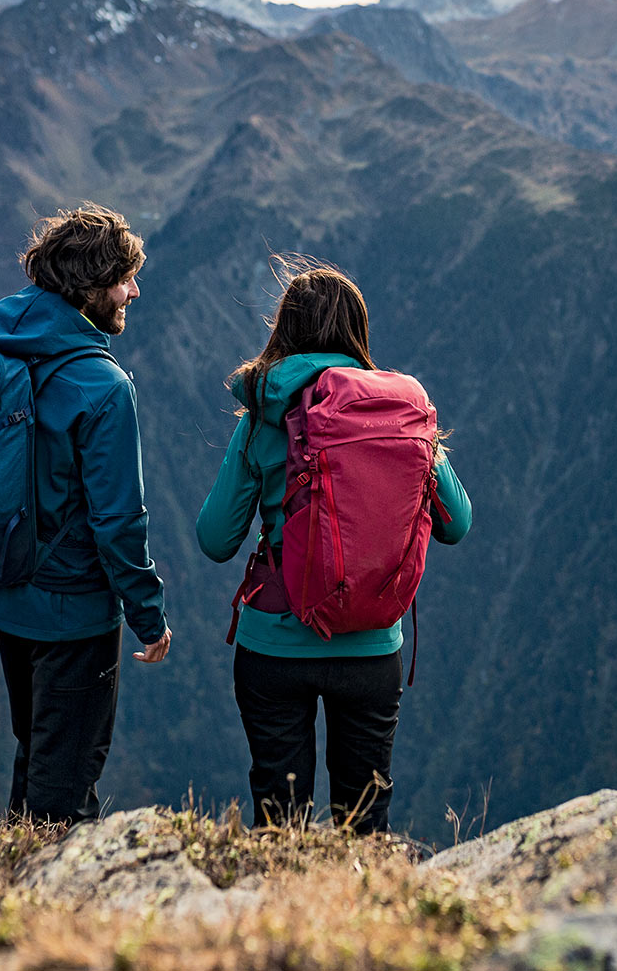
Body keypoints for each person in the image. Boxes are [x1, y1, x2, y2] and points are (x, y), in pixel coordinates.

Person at [195, 260, 471, 833]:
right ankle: (358, 914)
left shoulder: (261, 421)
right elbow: (457, 522)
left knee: (279, 820)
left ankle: (285, 916)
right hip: (370, 647)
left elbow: (216, 539)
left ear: (284, 331)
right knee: (364, 819)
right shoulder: (402, 416)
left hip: (274, 643)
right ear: (358, 334)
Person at [0, 203, 171, 822]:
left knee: (36, 754)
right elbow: (118, 521)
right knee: (66, 783)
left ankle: (7, 880)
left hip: (7, 594)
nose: (134, 290)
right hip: (74, 611)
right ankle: (47, 907)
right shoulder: (102, 386)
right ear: (89, 287)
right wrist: (149, 615)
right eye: (123, 278)